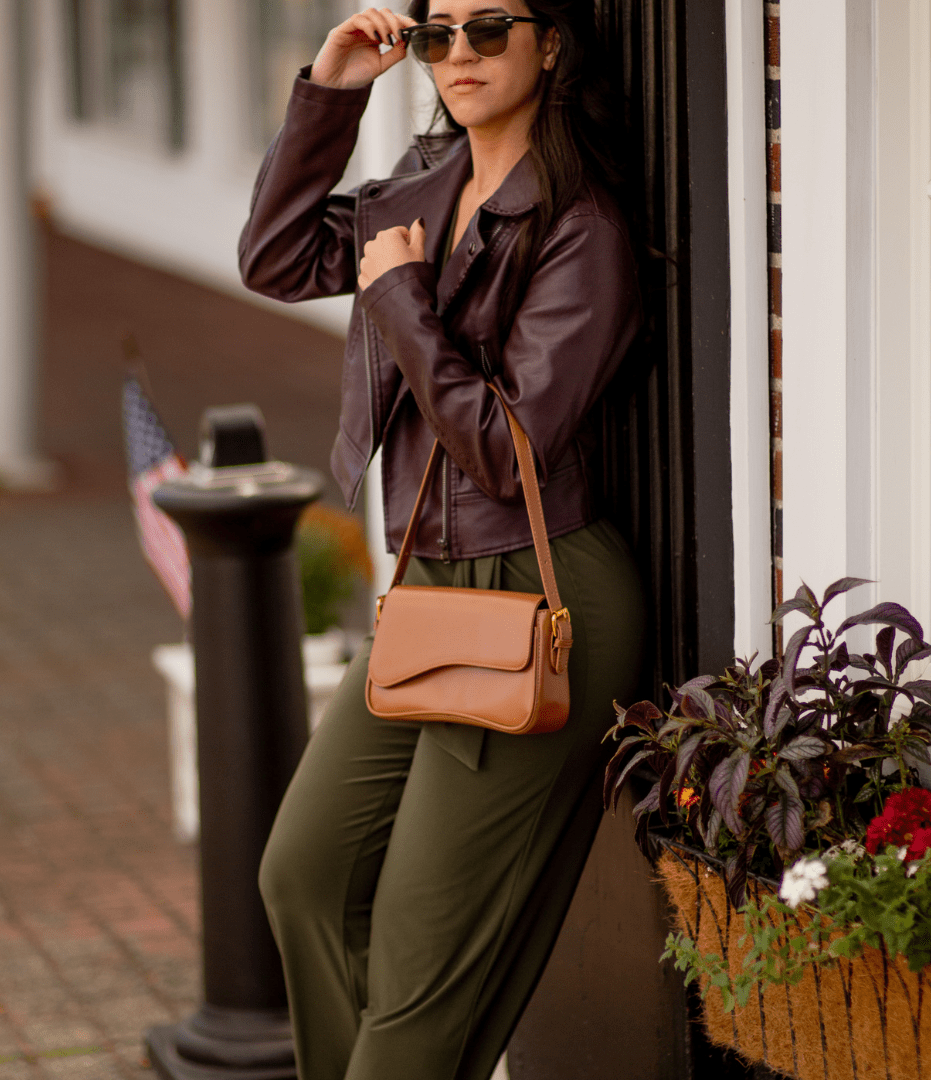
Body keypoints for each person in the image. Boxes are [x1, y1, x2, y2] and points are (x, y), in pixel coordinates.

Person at [238, 4, 647, 1078]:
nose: (457, 55)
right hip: (431, 587)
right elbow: (276, 257)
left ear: (550, 42)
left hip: (536, 592)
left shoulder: (580, 226)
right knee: (306, 877)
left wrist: (403, 302)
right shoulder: (421, 186)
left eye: (489, 29)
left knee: (423, 955)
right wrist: (331, 92)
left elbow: (507, 453)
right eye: (438, 35)